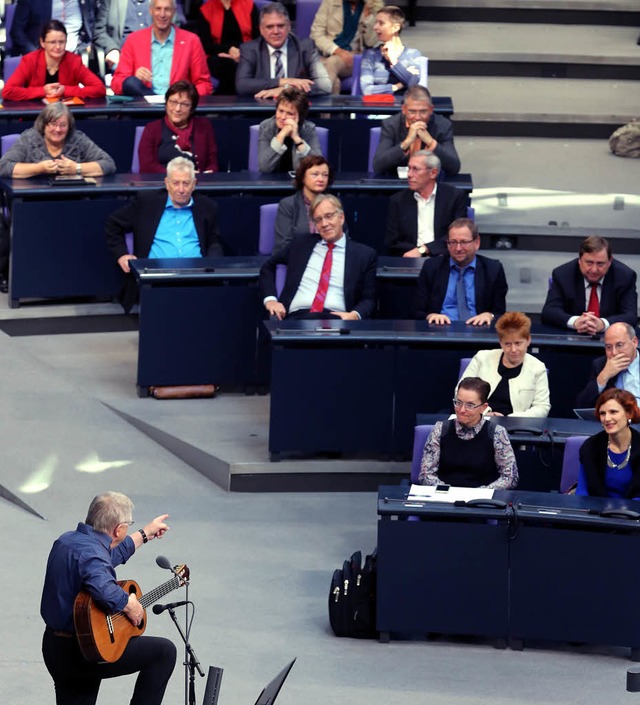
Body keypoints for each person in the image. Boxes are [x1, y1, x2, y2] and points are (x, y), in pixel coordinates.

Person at [41, 491, 177, 705]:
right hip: (81, 654)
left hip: (55, 647)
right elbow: (106, 590)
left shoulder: (68, 541)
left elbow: (106, 557)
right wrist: (130, 605)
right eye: (129, 525)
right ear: (118, 529)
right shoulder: (92, 555)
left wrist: (144, 534)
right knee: (164, 652)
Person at [105, 156, 223, 310]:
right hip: (156, 279)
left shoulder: (208, 207)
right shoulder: (147, 202)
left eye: (186, 183)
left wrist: (212, 265)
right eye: (176, 183)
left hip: (196, 277)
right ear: (167, 184)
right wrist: (122, 254)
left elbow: (214, 241)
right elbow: (113, 224)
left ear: (194, 185)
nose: (181, 189)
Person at [259, 193, 377, 320]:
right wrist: (270, 300)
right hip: (297, 318)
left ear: (341, 218)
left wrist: (354, 315)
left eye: (329, 216)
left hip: (337, 318)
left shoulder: (364, 254)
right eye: (318, 220)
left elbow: (369, 299)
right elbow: (268, 266)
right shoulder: (300, 244)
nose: (324, 224)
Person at [418, 376, 519, 488]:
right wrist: (448, 492)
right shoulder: (440, 429)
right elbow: (426, 474)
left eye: (470, 405)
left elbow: (509, 477)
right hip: (444, 496)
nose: (462, 410)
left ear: (483, 407)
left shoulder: (497, 433)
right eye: (458, 402)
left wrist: (481, 493)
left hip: (481, 500)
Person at [415, 218, 508, 325]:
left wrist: (489, 315)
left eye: (464, 242)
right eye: (453, 242)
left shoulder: (493, 269)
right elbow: (417, 311)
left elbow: (500, 312)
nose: (458, 248)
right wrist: (431, 315)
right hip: (439, 329)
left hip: (478, 330)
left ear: (476, 242)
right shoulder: (431, 267)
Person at [111, 0, 212, 97]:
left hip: (178, 107)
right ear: (151, 10)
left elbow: (204, 84)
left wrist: (184, 96)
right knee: (131, 82)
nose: (162, 15)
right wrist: (135, 77)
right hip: (142, 105)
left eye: (167, 9)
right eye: (158, 9)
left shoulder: (191, 41)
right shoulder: (133, 40)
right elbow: (117, 83)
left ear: (174, 12)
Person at [461, 312, 551, 418]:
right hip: (479, 421)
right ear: (500, 343)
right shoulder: (482, 358)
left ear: (528, 340)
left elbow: (542, 408)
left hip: (516, 426)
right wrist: (483, 415)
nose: (513, 350)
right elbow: (461, 391)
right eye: (507, 344)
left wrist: (508, 419)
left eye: (518, 343)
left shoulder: (538, 367)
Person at [541, 235, 638, 333]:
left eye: (600, 264)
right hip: (570, 339)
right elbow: (549, 312)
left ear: (609, 262)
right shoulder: (563, 274)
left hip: (610, 340)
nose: (594, 270)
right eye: (589, 263)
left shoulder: (625, 277)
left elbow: (630, 316)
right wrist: (575, 322)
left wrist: (603, 324)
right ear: (580, 260)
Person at [235, 2, 331, 98]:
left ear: (289, 27)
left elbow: (325, 85)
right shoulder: (249, 49)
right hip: (261, 109)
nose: (276, 32)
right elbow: (242, 85)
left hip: (295, 111)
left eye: (280, 26)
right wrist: (282, 81)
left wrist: (287, 89)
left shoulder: (306, 47)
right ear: (261, 29)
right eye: (269, 27)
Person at [0, 102, 116, 179]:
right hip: (34, 201)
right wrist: (38, 168)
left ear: (69, 126)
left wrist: (77, 168)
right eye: (53, 124)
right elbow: (4, 167)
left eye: (63, 125)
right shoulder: (29, 138)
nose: (58, 129)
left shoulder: (77, 138)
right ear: (44, 124)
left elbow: (108, 164)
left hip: (73, 199)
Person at [386, 150, 468, 257]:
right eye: (409, 168)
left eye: (415, 169)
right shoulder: (398, 200)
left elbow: (458, 235)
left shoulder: (454, 197)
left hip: (443, 258)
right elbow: (392, 241)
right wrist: (415, 253)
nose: (409, 174)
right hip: (409, 259)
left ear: (433, 173)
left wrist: (425, 249)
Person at [2, 20, 106, 102]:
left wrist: (66, 90)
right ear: (42, 43)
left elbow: (99, 89)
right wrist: (42, 91)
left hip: (66, 116)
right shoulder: (30, 60)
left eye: (61, 42)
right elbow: (8, 91)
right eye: (52, 42)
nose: (58, 47)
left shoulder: (74, 61)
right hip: (35, 114)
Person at [372, 85, 460, 177]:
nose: (418, 117)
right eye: (412, 112)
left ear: (431, 110)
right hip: (397, 184)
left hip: (428, 183)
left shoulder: (443, 126)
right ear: (404, 109)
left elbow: (454, 168)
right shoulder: (391, 125)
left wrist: (431, 142)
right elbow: (378, 166)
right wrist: (406, 142)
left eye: (423, 112)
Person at [137, 80, 219, 173]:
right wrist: (178, 175)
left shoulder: (204, 126)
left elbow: (212, 162)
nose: (177, 109)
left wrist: (209, 172)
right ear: (166, 103)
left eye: (184, 104)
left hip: (196, 183)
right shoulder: (152, 129)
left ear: (192, 109)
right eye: (173, 102)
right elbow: (146, 166)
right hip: (162, 182)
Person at [576, 388, 640, 498]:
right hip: (597, 512)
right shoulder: (590, 446)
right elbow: (582, 492)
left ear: (629, 414)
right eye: (602, 413)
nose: (607, 418)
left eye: (613, 412)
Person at [93, 0, 188, 74]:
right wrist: (111, 49)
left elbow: (176, 27)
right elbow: (99, 30)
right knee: (128, 82)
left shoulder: (163, 3)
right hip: (123, 59)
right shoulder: (112, 1)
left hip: (156, 57)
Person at [309, 0, 383, 94]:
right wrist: (337, 51)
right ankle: (329, 107)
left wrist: (368, 17)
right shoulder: (330, 2)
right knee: (335, 83)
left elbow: (370, 42)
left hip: (353, 56)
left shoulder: (373, 8)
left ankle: (317, 106)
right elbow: (316, 35)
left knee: (331, 63)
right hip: (326, 53)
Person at [192, 0, 259, 95]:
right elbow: (205, 45)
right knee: (228, 66)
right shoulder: (206, 9)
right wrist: (228, 50)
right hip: (218, 55)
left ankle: (222, 101)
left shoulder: (249, 5)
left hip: (246, 54)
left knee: (238, 66)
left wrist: (243, 52)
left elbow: (258, 38)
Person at [274, 155, 334, 253]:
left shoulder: (334, 204)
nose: (321, 179)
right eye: (315, 174)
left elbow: (343, 238)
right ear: (302, 177)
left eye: (325, 175)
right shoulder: (288, 205)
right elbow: (284, 244)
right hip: (298, 259)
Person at [360, 5, 422, 95]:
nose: (375, 27)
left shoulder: (413, 54)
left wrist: (393, 61)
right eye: (375, 22)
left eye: (381, 23)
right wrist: (397, 86)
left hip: (404, 106)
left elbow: (413, 86)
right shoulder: (370, 54)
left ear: (395, 28)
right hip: (377, 106)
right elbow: (367, 90)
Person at [257, 87, 322, 173]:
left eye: (290, 113)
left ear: (300, 116)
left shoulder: (308, 129)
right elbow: (265, 167)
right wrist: (281, 135)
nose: (283, 117)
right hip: (271, 182)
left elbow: (317, 167)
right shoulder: (266, 127)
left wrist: (296, 138)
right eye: (280, 111)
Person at [576, 322, 639, 408]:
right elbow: (582, 405)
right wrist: (604, 376)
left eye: (619, 345)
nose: (614, 353)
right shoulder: (600, 365)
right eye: (609, 347)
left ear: (634, 342)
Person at [10, 0, 95, 56]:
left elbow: (90, 26)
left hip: (75, 56)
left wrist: (87, 44)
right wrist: (35, 54)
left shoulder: (84, 2)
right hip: (40, 56)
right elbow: (17, 31)